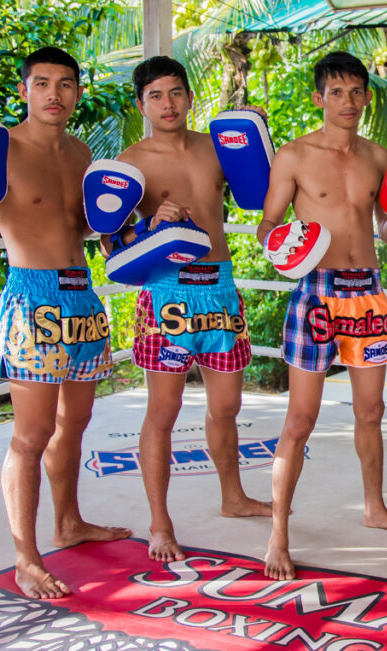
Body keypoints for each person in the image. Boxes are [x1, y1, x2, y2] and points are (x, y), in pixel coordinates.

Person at [256, 51, 387, 581]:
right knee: (300, 419)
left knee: (370, 412)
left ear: (366, 97)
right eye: (336, 92)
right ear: (318, 97)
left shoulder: (378, 159)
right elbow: (267, 226)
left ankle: (375, 508)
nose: (347, 102)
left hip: (366, 292)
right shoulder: (294, 156)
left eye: (356, 92)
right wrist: (285, 244)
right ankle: (278, 533)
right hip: (316, 290)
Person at [0, 47, 131, 599]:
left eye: (65, 84)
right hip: (31, 295)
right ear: (24, 90)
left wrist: (133, 224)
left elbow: (88, 228)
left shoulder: (82, 152)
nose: (54, 94)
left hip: (81, 298)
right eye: (42, 83)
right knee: (31, 434)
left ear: (77, 93)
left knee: (76, 422)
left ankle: (69, 521)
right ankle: (25, 557)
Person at [110, 56, 271, 563]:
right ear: (141, 104)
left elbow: (257, 188)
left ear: (189, 96)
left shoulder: (215, 147)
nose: (168, 103)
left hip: (219, 287)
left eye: (175, 92)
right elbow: (113, 241)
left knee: (227, 408)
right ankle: (160, 524)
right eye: (156, 96)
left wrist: (259, 135)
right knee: (163, 411)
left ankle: (233, 497)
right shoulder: (130, 161)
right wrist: (149, 226)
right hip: (166, 291)